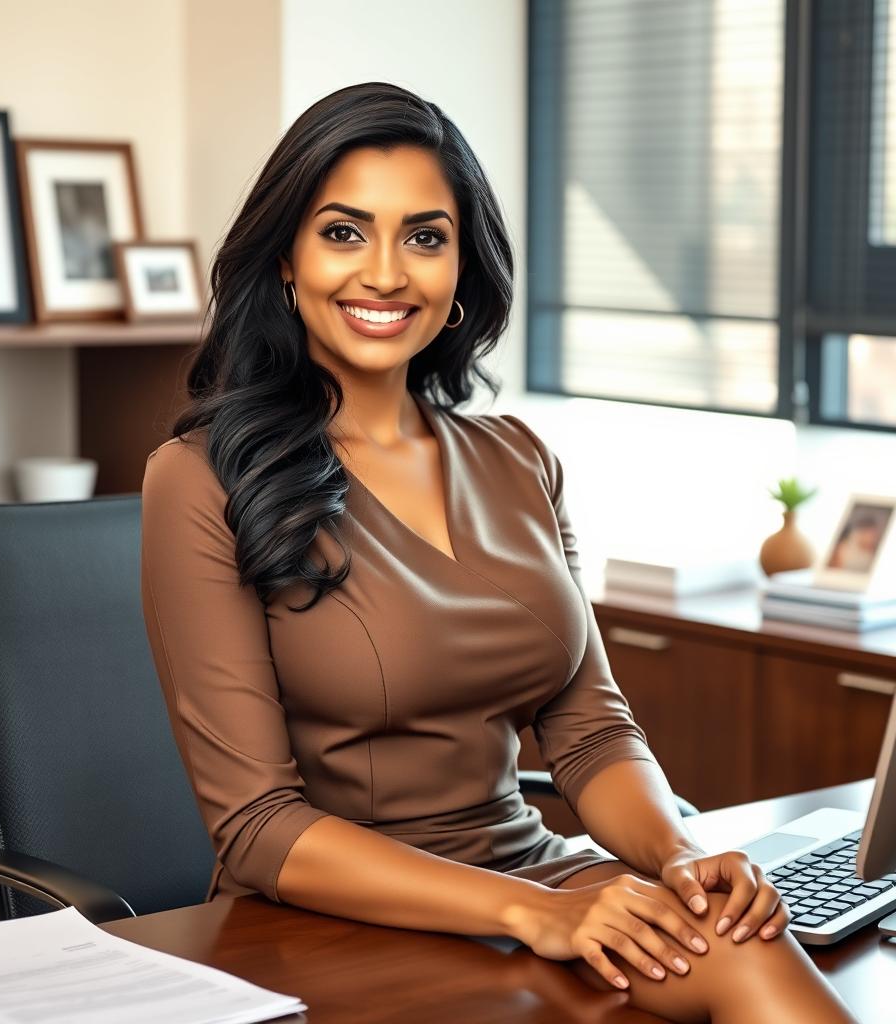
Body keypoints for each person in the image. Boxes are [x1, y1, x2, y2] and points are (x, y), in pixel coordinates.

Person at [140, 82, 857, 1023]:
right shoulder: (199, 479)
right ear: (285, 259)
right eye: (345, 232)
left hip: (536, 878)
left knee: (746, 943)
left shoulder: (519, 458)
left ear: (462, 268)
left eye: (425, 236)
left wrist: (676, 854)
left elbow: (592, 731)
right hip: (330, 917)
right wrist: (538, 913)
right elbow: (259, 829)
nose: (388, 273)